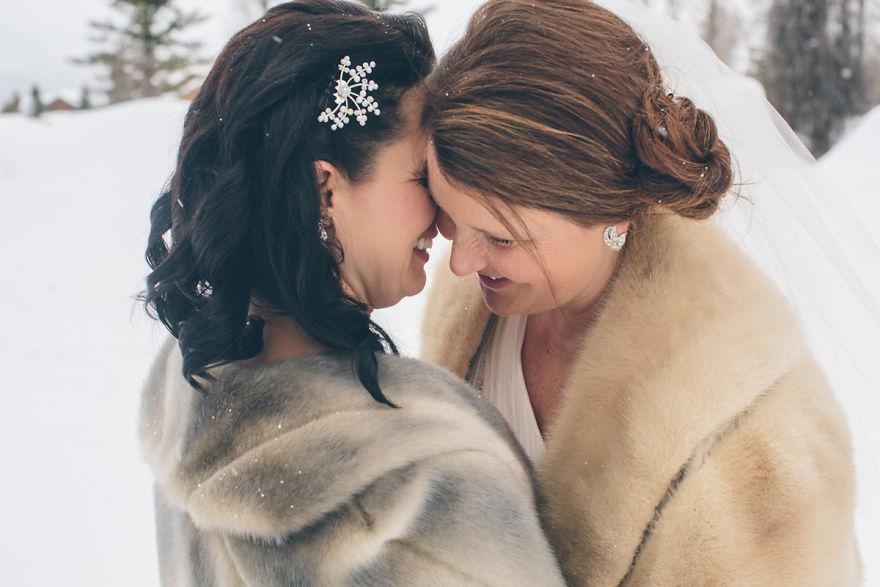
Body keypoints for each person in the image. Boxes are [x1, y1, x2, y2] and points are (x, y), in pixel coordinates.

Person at [420, 0, 863, 584]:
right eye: (449, 215)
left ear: (612, 215)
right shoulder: (477, 307)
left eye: (502, 237)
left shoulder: (763, 444)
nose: (461, 263)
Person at [139, 1, 564, 584]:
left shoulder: (194, 391)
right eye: (421, 176)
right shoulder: (414, 484)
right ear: (323, 188)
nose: (444, 218)